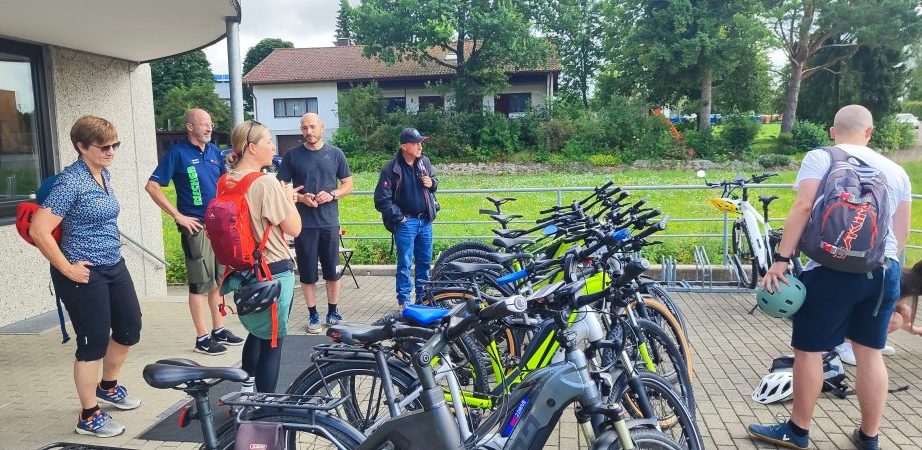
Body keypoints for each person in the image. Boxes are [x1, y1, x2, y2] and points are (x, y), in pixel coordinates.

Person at [748, 105, 911, 450]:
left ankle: (798, 431)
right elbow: (902, 232)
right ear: (870, 133)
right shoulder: (897, 171)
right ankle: (869, 437)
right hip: (884, 270)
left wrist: (781, 259)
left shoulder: (821, 157)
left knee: (808, 351)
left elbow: (803, 206)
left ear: (832, 131)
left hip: (830, 270)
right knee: (870, 354)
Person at [30, 116, 142, 437]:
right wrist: (67, 268)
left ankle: (107, 386)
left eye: (115, 145)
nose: (111, 151)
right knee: (92, 343)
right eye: (103, 147)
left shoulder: (103, 174)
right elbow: (40, 231)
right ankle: (89, 415)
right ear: (81, 147)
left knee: (128, 328)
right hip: (82, 273)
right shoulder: (71, 182)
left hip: (113, 265)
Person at [145, 108, 243, 355]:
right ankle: (201, 338)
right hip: (196, 226)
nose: (209, 128)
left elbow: (226, 183)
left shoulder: (213, 152)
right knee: (200, 283)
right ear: (190, 127)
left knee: (218, 280)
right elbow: (152, 186)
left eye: (210, 124)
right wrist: (178, 216)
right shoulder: (177, 153)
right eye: (203, 124)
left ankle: (218, 329)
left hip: (217, 224)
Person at [223, 120, 301, 393]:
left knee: (257, 333)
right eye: (268, 141)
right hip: (273, 270)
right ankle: (264, 403)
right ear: (252, 148)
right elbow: (294, 228)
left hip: (243, 268)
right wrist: (288, 198)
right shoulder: (264, 182)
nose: (273, 146)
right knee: (273, 341)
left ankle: (246, 389)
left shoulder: (227, 180)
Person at [277, 113, 354, 333]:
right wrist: (300, 198)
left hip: (329, 222)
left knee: (332, 270)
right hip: (302, 224)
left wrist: (333, 194)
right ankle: (312, 315)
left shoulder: (336, 154)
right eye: (304, 128)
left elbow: (348, 184)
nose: (308, 132)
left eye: (312, 127)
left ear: (322, 127)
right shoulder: (292, 156)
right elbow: (281, 185)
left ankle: (333, 311)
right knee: (308, 272)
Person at [373, 128, 439, 308]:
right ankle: (404, 302)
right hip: (406, 223)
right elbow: (381, 199)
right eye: (416, 143)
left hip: (425, 221)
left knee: (424, 263)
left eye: (421, 142)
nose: (420, 146)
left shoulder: (424, 162)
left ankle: (423, 299)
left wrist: (432, 183)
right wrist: (399, 217)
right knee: (404, 264)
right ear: (404, 146)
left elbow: (434, 183)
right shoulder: (391, 168)